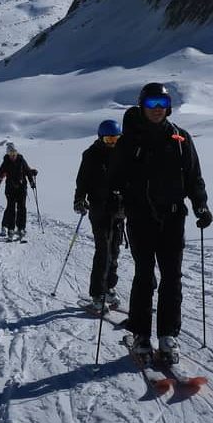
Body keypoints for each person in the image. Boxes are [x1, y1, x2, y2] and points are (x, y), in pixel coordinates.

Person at [109, 83, 212, 364]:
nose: (157, 109)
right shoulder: (129, 140)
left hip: (173, 217)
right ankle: (142, 334)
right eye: (152, 103)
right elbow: (114, 177)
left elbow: (194, 177)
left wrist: (201, 204)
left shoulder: (180, 138)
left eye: (162, 102)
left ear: (168, 106)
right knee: (144, 276)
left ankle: (168, 335)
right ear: (142, 105)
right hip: (140, 217)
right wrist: (114, 202)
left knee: (172, 277)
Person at [74, 119, 125, 314]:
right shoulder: (91, 155)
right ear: (100, 137)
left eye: (116, 138)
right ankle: (97, 295)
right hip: (100, 209)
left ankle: (109, 287)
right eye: (109, 138)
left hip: (119, 211)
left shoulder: (123, 154)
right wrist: (79, 199)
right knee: (103, 251)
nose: (112, 142)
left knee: (115, 251)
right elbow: (82, 180)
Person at [0, 142, 38, 240]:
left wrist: (31, 181)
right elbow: (0, 175)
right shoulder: (6, 162)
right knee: (11, 209)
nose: (13, 155)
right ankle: (10, 229)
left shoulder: (21, 160)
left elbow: (27, 171)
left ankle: (21, 228)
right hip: (10, 189)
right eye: (10, 153)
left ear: (17, 152)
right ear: (7, 154)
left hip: (21, 188)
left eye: (14, 153)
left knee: (22, 208)